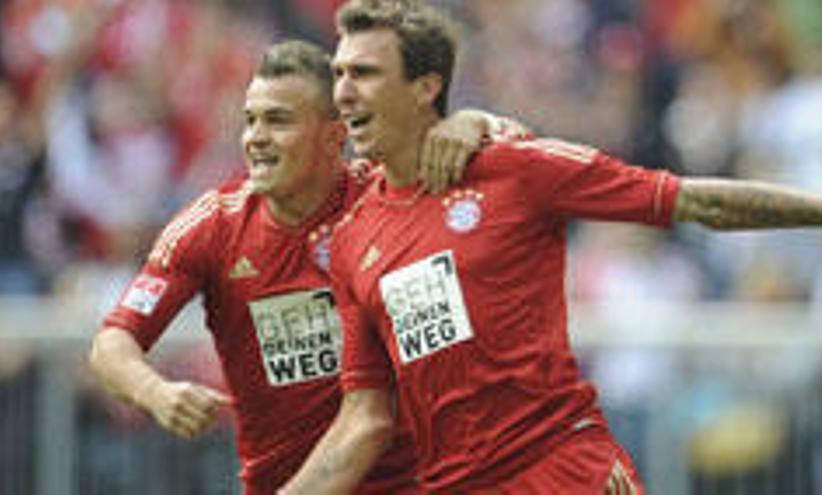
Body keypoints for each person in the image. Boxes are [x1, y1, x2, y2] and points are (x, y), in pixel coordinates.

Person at [283, 1, 822, 494]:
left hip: (564, 474)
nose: (342, 93)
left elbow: (695, 201)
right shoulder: (355, 235)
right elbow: (363, 420)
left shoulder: (513, 169)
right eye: (338, 74)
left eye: (363, 74)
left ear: (425, 87)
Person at [88, 38, 522, 495]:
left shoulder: (396, 199)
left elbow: (526, 158)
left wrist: (477, 122)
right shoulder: (214, 226)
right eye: (250, 120)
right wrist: (156, 393)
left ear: (335, 137)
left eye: (278, 121)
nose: (256, 137)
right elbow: (111, 342)